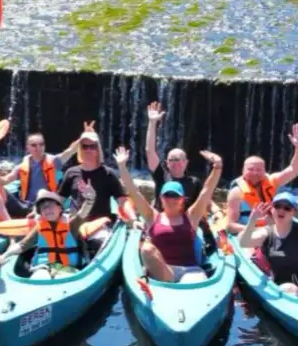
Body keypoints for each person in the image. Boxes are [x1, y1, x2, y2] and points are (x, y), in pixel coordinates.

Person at [116, 146, 223, 283]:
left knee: (193, 284)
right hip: (162, 271)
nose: (171, 200)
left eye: (175, 196)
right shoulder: (152, 216)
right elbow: (133, 190)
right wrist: (122, 166)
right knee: (147, 249)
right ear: (161, 199)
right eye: (167, 196)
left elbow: (206, 191)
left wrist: (217, 166)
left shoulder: (191, 217)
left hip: (189, 271)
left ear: (183, 199)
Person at [0, 184, 96, 279]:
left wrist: (90, 199)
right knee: (39, 278)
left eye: (50, 206)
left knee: (62, 277)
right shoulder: (39, 227)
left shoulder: (72, 224)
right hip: (43, 266)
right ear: (41, 214)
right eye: (44, 208)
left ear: (60, 208)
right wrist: (4, 255)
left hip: (67, 268)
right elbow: (22, 246)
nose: (47, 210)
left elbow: (83, 213)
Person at [225, 123, 298, 234]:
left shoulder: (272, 181)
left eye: (259, 169)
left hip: (274, 228)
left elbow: (295, 168)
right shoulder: (236, 193)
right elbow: (230, 225)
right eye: (250, 169)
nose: (255, 173)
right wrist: (260, 231)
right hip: (250, 232)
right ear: (242, 171)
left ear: (265, 171)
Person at [56, 128, 127, 253]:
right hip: (75, 222)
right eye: (84, 146)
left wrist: (132, 220)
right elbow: (59, 200)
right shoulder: (71, 172)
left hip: (99, 223)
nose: (88, 150)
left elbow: (122, 201)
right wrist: (41, 211)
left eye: (92, 146)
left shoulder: (108, 174)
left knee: (100, 244)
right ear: (80, 149)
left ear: (98, 149)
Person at [0, 131, 82, 217]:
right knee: (1, 190)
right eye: (34, 145)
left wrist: (84, 136)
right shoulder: (22, 166)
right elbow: (6, 180)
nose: (38, 148)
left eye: (41, 144)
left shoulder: (54, 161)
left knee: (41, 192)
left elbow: (71, 151)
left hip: (47, 206)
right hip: (26, 206)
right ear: (28, 148)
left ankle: (36, 214)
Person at [144, 102, 204, 210]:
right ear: (167, 163)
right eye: (172, 159)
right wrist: (152, 123)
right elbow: (150, 151)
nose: (176, 162)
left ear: (186, 162)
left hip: (184, 222)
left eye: (179, 159)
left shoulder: (195, 182)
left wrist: (217, 210)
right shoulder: (161, 177)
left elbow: (205, 202)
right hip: (162, 221)